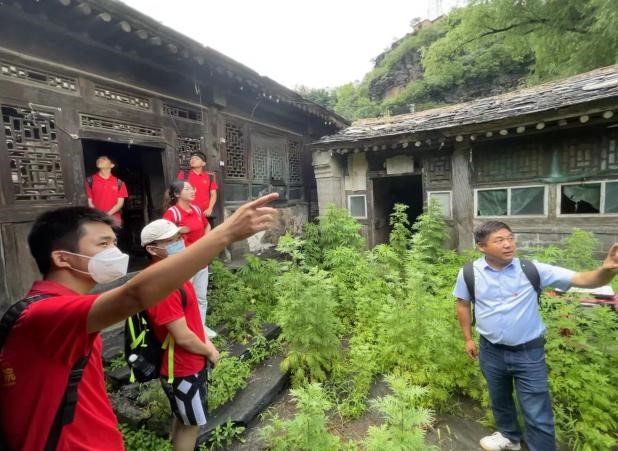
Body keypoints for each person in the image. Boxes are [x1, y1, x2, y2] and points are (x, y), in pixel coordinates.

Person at [0, 193, 278, 450]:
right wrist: (226, 233)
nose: (115, 252)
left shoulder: (60, 312)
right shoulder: (45, 314)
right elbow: (135, 294)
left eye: (114, 242)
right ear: (62, 258)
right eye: (103, 244)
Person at [453, 221, 618, 451]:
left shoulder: (532, 270)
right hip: (490, 350)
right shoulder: (469, 273)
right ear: (482, 246)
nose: (508, 244)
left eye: (510, 238)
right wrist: (468, 339)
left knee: (537, 411)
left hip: (528, 353)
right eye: (499, 240)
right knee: (499, 399)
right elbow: (462, 303)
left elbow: (583, 279)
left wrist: (607, 270)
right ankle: (509, 437)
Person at [141, 219, 219, 451]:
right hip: (182, 366)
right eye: (172, 240)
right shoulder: (161, 285)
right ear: (152, 249)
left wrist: (205, 340)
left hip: (187, 362)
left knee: (183, 417)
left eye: (179, 237)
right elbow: (182, 336)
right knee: (190, 424)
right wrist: (209, 351)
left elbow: (191, 320)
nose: (180, 242)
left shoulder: (173, 274)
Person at [163, 181, 213, 334]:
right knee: (185, 298)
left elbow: (207, 226)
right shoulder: (172, 213)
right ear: (177, 194)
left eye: (193, 188)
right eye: (187, 189)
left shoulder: (197, 209)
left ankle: (200, 328)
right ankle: (186, 330)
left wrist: (205, 242)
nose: (193, 191)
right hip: (184, 264)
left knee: (201, 297)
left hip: (201, 261)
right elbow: (165, 238)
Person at [177, 151, 218, 231]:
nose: (193, 160)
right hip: (189, 213)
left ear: (203, 163)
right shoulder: (184, 174)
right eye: (192, 158)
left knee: (208, 235)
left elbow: (213, 194)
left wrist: (210, 208)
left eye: (196, 158)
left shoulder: (209, 177)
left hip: (205, 213)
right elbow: (179, 191)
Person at [85, 155, 128, 226]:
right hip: (96, 220)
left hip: (114, 220)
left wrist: (106, 216)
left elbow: (120, 203)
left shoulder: (119, 183)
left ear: (112, 165)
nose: (99, 160)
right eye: (98, 158)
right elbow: (89, 202)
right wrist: (98, 216)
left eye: (104, 159)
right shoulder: (90, 181)